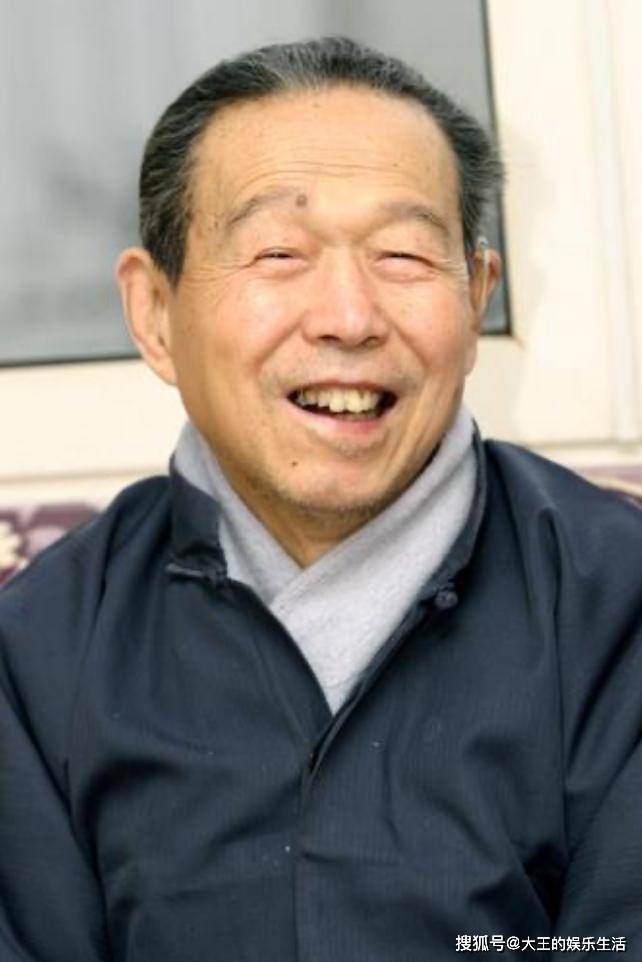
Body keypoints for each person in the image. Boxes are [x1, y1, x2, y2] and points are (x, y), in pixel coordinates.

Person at [0, 36, 640, 962]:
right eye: (278, 253)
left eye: (404, 255)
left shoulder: (619, 604)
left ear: (477, 298)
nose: (348, 317)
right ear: (154, 313)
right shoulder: (38, 649)